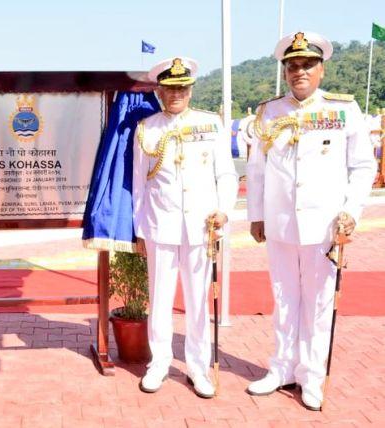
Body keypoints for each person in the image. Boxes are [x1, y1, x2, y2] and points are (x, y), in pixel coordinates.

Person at [246, 31, 377, 410]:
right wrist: (256, 215)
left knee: (319, 303)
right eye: (292, 66)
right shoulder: (270, 112)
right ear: (285, 72)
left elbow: (363, 166)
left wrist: (351, 211)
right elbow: (256, 170)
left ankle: (311, 376)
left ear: (321, 69)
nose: (298, 71)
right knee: (284, 298)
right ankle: (281, 367)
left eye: (306, 65)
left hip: (324, 225)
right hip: (281, 222)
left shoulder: (343, 110)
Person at [133, 57, 238, 398]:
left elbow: (225, 173)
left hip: (200, 227)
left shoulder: (211, 125)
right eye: (168, 88)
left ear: (190, 90)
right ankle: (160, 361)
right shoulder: (148, 128)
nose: (175, 93)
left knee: (197, 301)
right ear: (159, 90)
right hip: (160, 225)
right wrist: (138, 229)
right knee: (159, 298)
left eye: (181, 87)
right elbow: (139, 184)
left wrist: (224, 210)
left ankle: (197, 366)